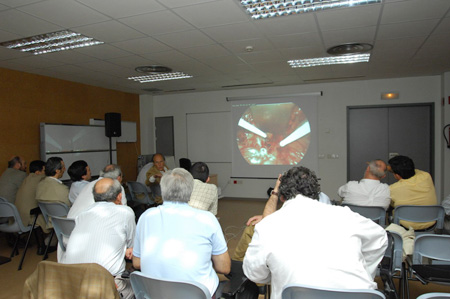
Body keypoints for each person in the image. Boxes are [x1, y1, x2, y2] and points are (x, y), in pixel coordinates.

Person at [243, 166, 387, 299]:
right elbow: (380, 237)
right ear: (316, 194)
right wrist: (365, 269)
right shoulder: (345, 215)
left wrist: (278, 273)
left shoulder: (268, 225)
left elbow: (254, 274)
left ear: (282, 197)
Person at [133, 168, 230, 297]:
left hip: (153, 294)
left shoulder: (146, 217)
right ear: (191, 191)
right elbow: (224, 268)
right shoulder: (207, 219)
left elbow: (137, 263)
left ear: (162, 190)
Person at [62, 178, 135, 299]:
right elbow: (133, 248)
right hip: (105, 286)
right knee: (141, 286)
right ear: (119, 196)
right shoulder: (125, 212)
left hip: (72, 284)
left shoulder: (82, 214)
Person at [388, 155, 437, 230]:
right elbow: (414, 170)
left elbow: (389, 205)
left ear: (397, 176)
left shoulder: (392, 189)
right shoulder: (426, 176)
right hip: (430, 225)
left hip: (406, 227)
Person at [15, 160, 46, 229]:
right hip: (30, 216)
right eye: (44, 171)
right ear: (38, 172)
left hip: (18, 217)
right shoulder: (41, 179)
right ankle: (51, 238)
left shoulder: (27, 179)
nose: (46, 173)